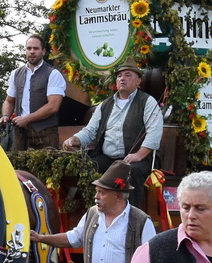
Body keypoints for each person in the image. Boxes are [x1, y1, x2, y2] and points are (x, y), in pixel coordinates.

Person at [63, 59, 164, 187]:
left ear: (138, 81)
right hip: (108, 158)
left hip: (139, 158)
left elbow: (154, 133)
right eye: (119, 76)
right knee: (87, 166)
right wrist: (74, 139)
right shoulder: (105, 105)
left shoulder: (147, 102)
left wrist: (139, 155)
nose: (122, 79)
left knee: (131, 171)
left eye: (128, 75)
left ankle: (131, 201)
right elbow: (90, 131)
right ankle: (94, 200)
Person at [0, 33, 66, 152]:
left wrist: (27, 119)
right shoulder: (15, 74)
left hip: (46, 132)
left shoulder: (53, 74)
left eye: (36, 48)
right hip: (20, 132)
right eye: (29, 48)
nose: (32, 51)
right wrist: (5, 116)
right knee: (18, 164)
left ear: (43, 51)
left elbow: (53, 106)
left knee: (46, 164)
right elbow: (9, 101)